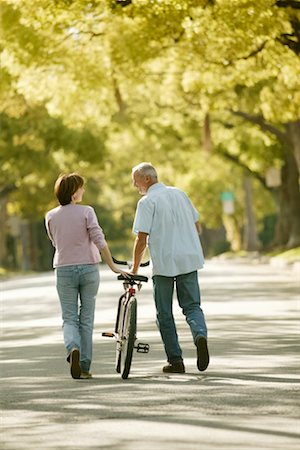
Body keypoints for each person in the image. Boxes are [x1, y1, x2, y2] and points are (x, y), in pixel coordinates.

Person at [45, 173, 128, 380]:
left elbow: (55, 242)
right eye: (81, 188)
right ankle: (84, 366)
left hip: (64, 270)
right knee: (86, 318)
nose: (83, 191)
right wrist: (113, 266)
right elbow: (99, 240)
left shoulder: (51, 216)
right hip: (89, 269)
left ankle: (73, 347)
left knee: (69, 318)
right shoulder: (87, 211)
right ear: (74, 192)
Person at [130, 162, 209, 373]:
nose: (134, 185)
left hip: (164, 263)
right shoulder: (180, 194)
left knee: (164, 313)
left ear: (147, 179)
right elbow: (197, 225)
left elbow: (141, 239)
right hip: (189, 259)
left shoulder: (147, 202)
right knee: (192, 306)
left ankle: (176, 361)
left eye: (135, 180)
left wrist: (135, 269)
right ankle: (199, 334)